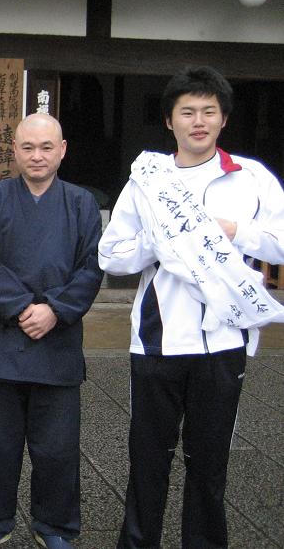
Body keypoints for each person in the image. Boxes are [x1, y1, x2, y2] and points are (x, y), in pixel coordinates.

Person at [99, 66, 284, 549]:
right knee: (147, 461)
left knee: (209, 464)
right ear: (169, 122)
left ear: (223, 119)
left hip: (224, 342)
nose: (197, 121)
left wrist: (233, 231)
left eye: (208, 111)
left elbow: (282, 244)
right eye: (187, 112)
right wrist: (159, 243)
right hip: (158, 341)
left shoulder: (251, 178)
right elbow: (112, 255)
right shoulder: (147, 182)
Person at [0, 113, 103, 549]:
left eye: (47, 147)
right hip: (7, 340)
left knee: (58, 450)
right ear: (15, 151)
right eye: (28, 147)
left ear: (62, 150)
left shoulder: (82, 204)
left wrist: (55, 310)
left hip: (58, 340)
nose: (37, 155)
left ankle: (56, 525)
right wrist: (25, 308)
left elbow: (91, 268)